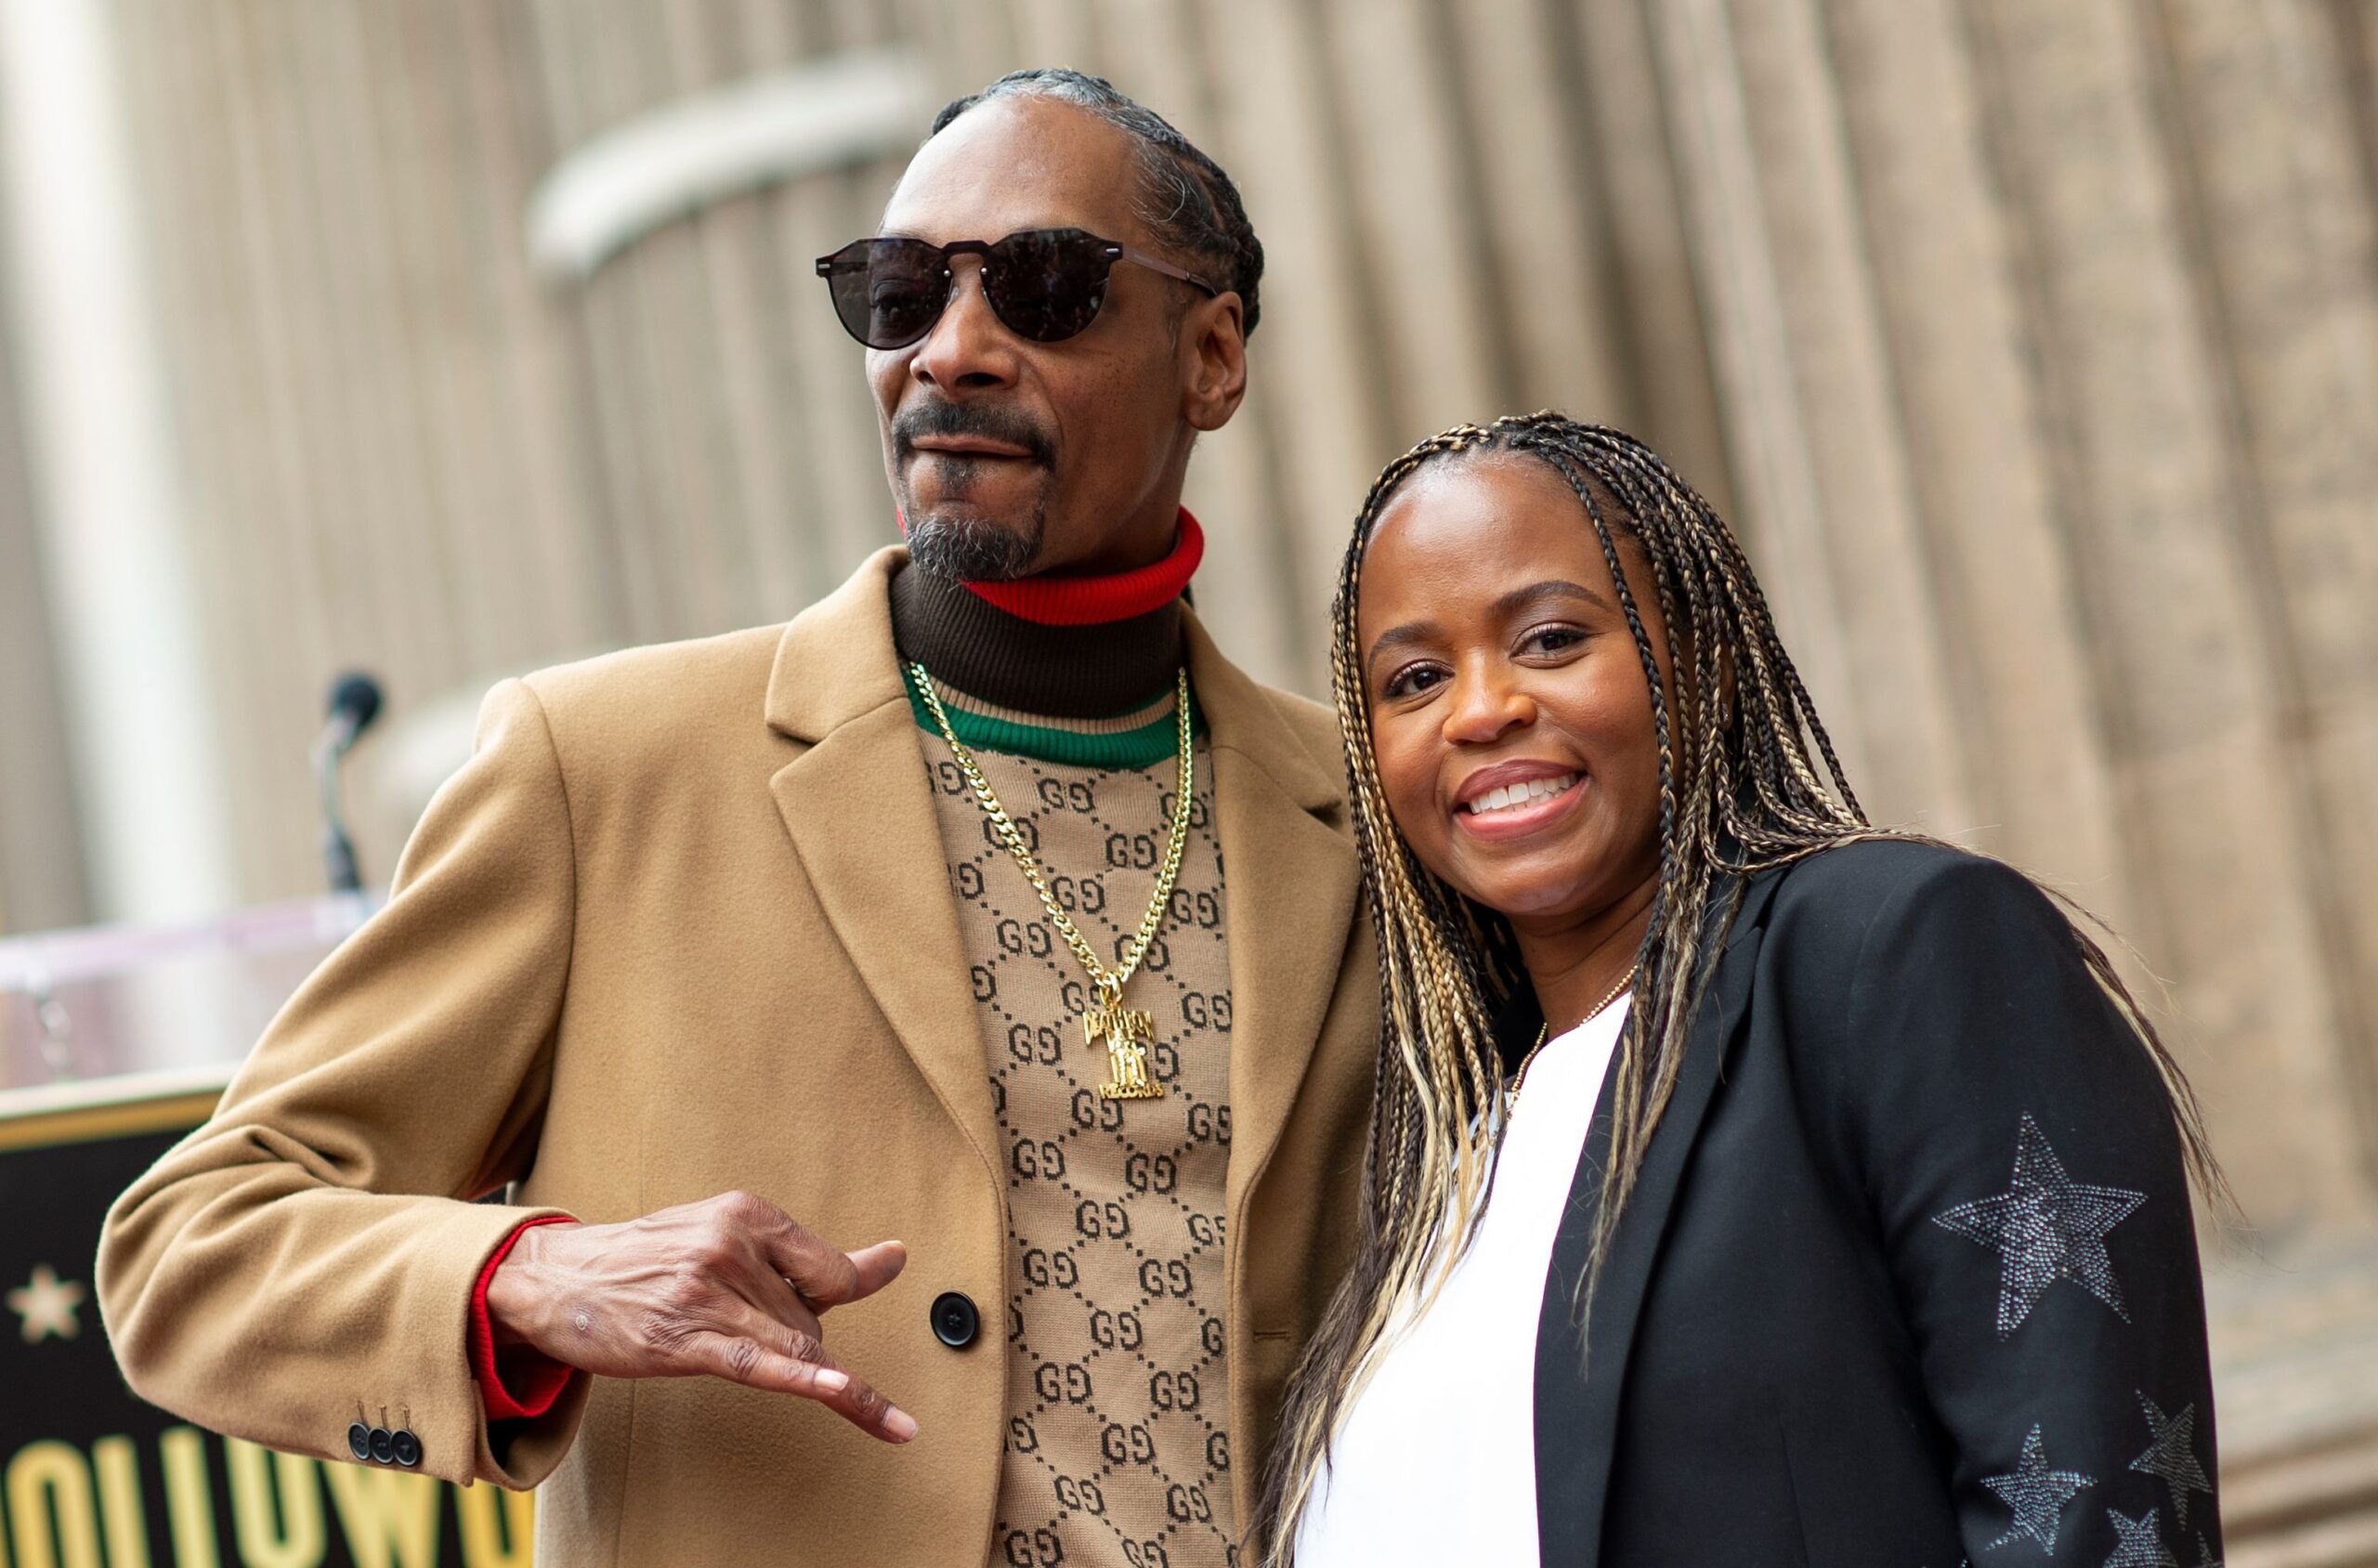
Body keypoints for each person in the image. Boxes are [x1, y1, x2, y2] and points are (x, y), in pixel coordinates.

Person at [98, 70, 1378, 1568]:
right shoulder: (605, 770)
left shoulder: (1362, 829)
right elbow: (192, 1245)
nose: (950, 353)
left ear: (1212, 355)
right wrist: (530, 1272)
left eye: (1042, 287)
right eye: (899, 295)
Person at [1253, 413, 2225, 1567]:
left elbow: (2088, 1520)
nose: (1479, 708)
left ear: (1701, 653)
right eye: (1414, 678)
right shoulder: (1442, 1139)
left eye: (1553, 637)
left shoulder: (1887, 951)